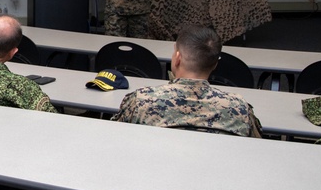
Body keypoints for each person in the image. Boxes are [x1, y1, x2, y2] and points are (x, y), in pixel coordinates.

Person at [111, 24, 263, 137]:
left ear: (177, 58)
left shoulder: (141, 101)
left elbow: (115, 139)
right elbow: (255, 151)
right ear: (215, 64)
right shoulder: (239, 108)